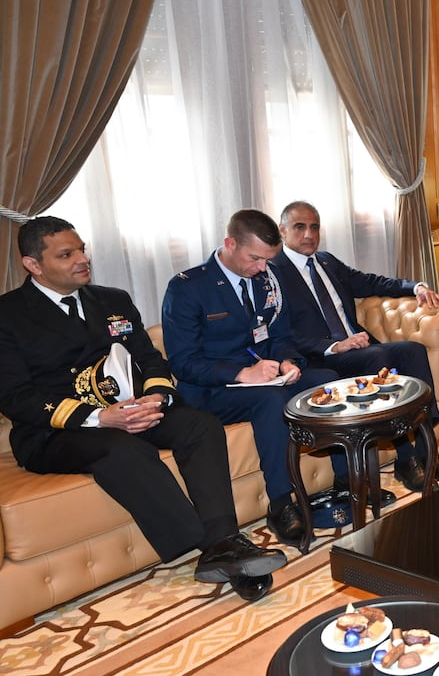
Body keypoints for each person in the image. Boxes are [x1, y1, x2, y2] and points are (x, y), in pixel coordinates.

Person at [0, 217, 286, 601]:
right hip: (59, 431)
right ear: (33, 264)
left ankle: (224, 541)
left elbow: (150, 359)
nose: (82, 259)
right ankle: (215, 548)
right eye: (66, 254)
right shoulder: (9, 315)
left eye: (82, 249)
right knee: (122, 449)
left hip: (131, 410)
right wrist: (100, 417)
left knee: (198, 425)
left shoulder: (113, 299)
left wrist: (156, 397)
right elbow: (15, 396)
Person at [161, 210, 342, 549]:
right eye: (255, 258)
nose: (262, 268)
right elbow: (184, 363)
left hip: (263, 377)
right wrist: (241, 374)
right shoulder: (188, 288)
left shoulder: (265, 280)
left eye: (267, 260)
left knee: (327, 379)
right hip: (211, 391)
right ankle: (282, 504)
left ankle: (346, 479)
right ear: (230, 244)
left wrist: (287, 362)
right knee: (269, 401)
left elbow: (280, 334)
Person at [270, 201, 439, 491]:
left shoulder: (326, 262)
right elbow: (280, 334)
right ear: (282, 230)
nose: (309, 234)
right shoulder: (272, 274)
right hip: (322, 358)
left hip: (360, 348)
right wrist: (335, 346)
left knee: (412, 350)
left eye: (314, 227)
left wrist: (416, 287)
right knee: (379, 358)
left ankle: (428, 452)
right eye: (300, 227)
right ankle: (406, 459)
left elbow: (371, 282)